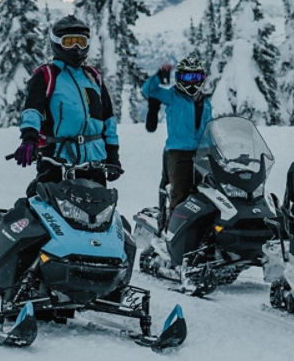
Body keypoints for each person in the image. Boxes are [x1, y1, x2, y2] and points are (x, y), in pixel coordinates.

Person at [11, 14, 121, 187]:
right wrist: (29, 139)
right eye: (69, 42)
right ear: (56, 43)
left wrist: (113, 155)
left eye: (81, 42)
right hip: (57, 158)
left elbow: (108, 118)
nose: (76, 47)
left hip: (94, 161)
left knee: (96, 209)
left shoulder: (92, 77)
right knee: (49, 207)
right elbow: (33, 110)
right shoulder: (47, 75)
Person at [142, 56, 211, 221]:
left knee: (207, 194)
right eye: (188, 77)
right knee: (180, 193)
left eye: (196, 77)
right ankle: (173, 233)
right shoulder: (172, 96)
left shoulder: (206, 101)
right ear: (180, 78)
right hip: (179, 152)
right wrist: (160, 74)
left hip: (204, 152)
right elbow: (148, 90)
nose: (192, 82)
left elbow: (211, 127)